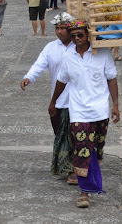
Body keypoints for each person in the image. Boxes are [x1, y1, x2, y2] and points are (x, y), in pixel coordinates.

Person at [50, 21, 120, 209]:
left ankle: (92, 176)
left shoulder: (103, 53)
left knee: (96, 148)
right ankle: (84, 192)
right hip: (79, 112)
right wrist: (53, 102)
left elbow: (111, 78)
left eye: (79, 35)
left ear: (87, 35)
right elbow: (61, 81)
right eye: (72, 36)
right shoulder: (68, 56)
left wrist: (116, 105)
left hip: (100, 111)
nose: (76, 39)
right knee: (82, 149)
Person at [20, 12, 78, 185]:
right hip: (59, 99)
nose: (60, 32)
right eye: (57, 28)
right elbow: (40, 64)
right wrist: (29, 77)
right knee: (61, 135)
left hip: (78, 101)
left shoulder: (80, 47)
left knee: (75, 136)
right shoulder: (51, 48)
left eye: (63, 28)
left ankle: (74, 169)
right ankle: (68, 165)